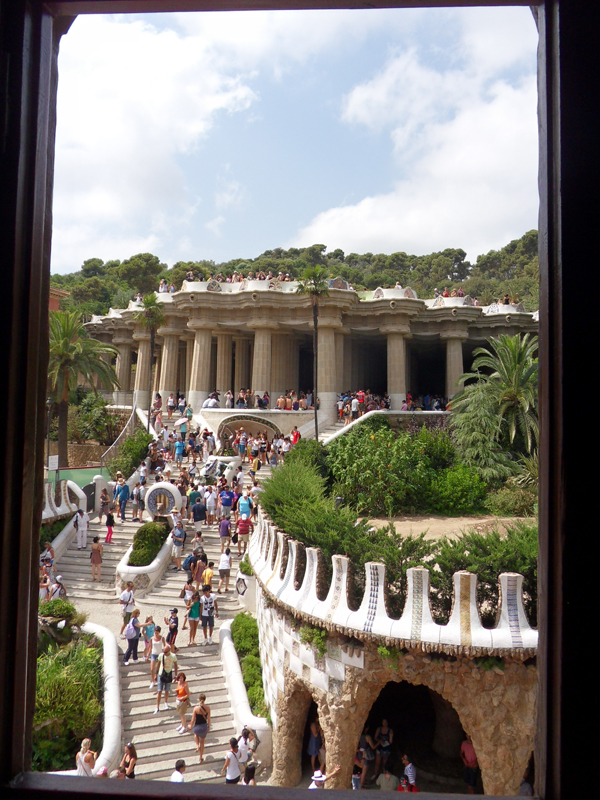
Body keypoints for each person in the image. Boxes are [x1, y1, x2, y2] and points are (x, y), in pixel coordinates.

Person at [155, 644, 178, 714]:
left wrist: (176, 675)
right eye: (163, 651)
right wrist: (156, 674)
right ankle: (157, 707)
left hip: (168, 674)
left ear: (169, 651)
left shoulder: (173, 656)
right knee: (159, 691)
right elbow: (158, 664)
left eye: (165, 652)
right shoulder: (161, 655)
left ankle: (165, 702)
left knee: (167, 690)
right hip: (161, 674)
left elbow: (176, 666)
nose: (164, 653)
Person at [189, 692, 211, 762]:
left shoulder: (196, 708)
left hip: (197, 727)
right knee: (202, 743)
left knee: (195, 733)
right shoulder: (208, 708)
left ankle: (197, 745)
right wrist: (208, 726)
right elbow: (209, 719)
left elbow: (193, 719)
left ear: (199, 699)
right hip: (204, 727)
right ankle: (200, 757)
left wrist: (190, 725)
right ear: (205, 699)